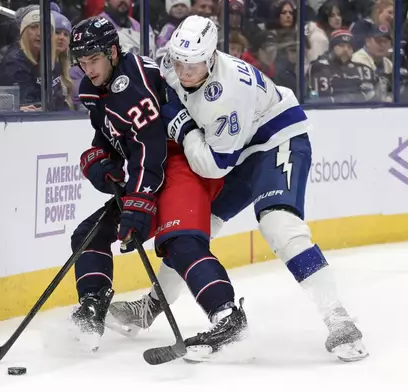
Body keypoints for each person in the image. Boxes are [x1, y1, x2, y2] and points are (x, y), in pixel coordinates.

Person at [108, 15, 369, 363]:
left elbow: (214, 164)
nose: (184, 73)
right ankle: (151, 306)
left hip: (276, 140)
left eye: (194, 65)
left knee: (279, 225)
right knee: (193, 228)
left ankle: (339, 318)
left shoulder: (226, 95)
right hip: (240, 147)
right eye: (180, 63)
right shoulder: (176, 60)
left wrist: (183, 127)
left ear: (212, 57)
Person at [67, 16, 247, 360]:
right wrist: (99, 159)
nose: (88, 68)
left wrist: (137, 205)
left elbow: (151, 148)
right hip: (148, 167)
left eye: (94, 59)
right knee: (88, 235)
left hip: (179, 162)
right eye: (82, 61)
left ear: (113, 51)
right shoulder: (94, 88)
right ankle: (92, 307)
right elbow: (111, 135)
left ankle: (228, 317)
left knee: (179, 241)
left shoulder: (132, 85)